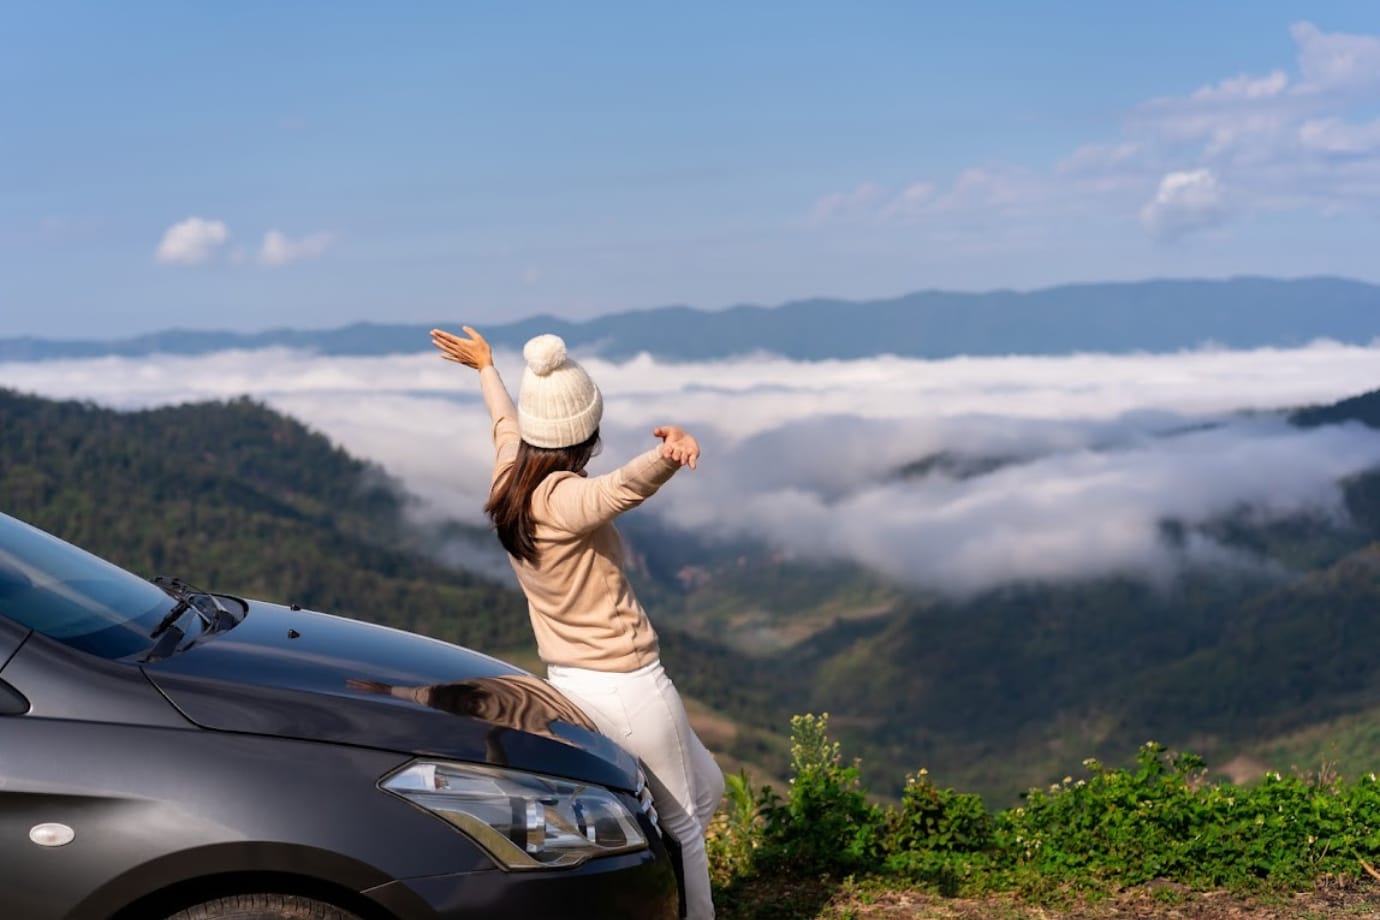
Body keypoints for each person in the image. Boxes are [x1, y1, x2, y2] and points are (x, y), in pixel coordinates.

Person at [430, 325, 724, 919]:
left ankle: (639, 891)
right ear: (584, 435)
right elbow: (619, 489)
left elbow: (504, 425)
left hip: (572, 678)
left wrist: (488, 367)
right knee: (686, 824)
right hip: (626, 681)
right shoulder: (564, 500)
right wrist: (667, 455)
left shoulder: (511, 478)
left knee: (707, 787)